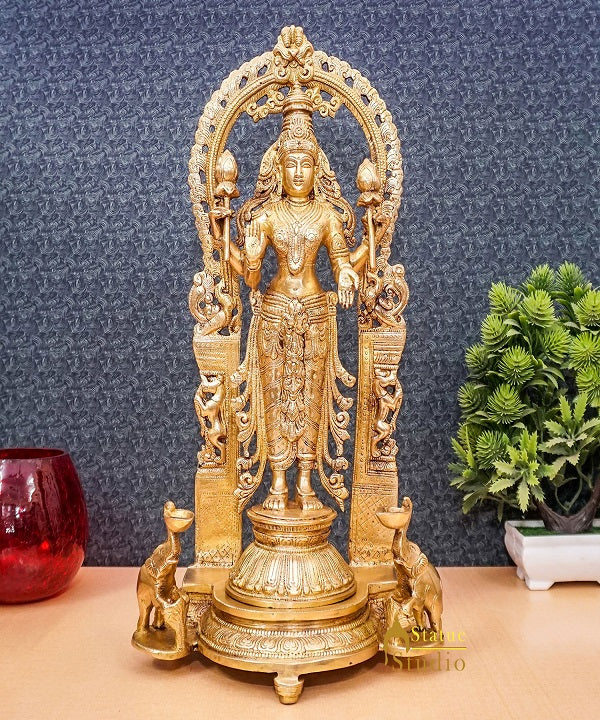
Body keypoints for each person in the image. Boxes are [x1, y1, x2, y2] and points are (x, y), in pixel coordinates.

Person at [210, 87, 369, 511]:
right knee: (276, 395)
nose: (298, 172)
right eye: (291, 163)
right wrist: (237, 247)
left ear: (318, 168)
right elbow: (251, 276)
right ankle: (278, 484)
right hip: (275, 313)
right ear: (277, 168)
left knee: (312, 396)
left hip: (316, 313)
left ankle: (306, 483)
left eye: (306, 163)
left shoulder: (327, 215)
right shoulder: (265, 217)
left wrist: (348, 273)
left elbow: (341, 262)